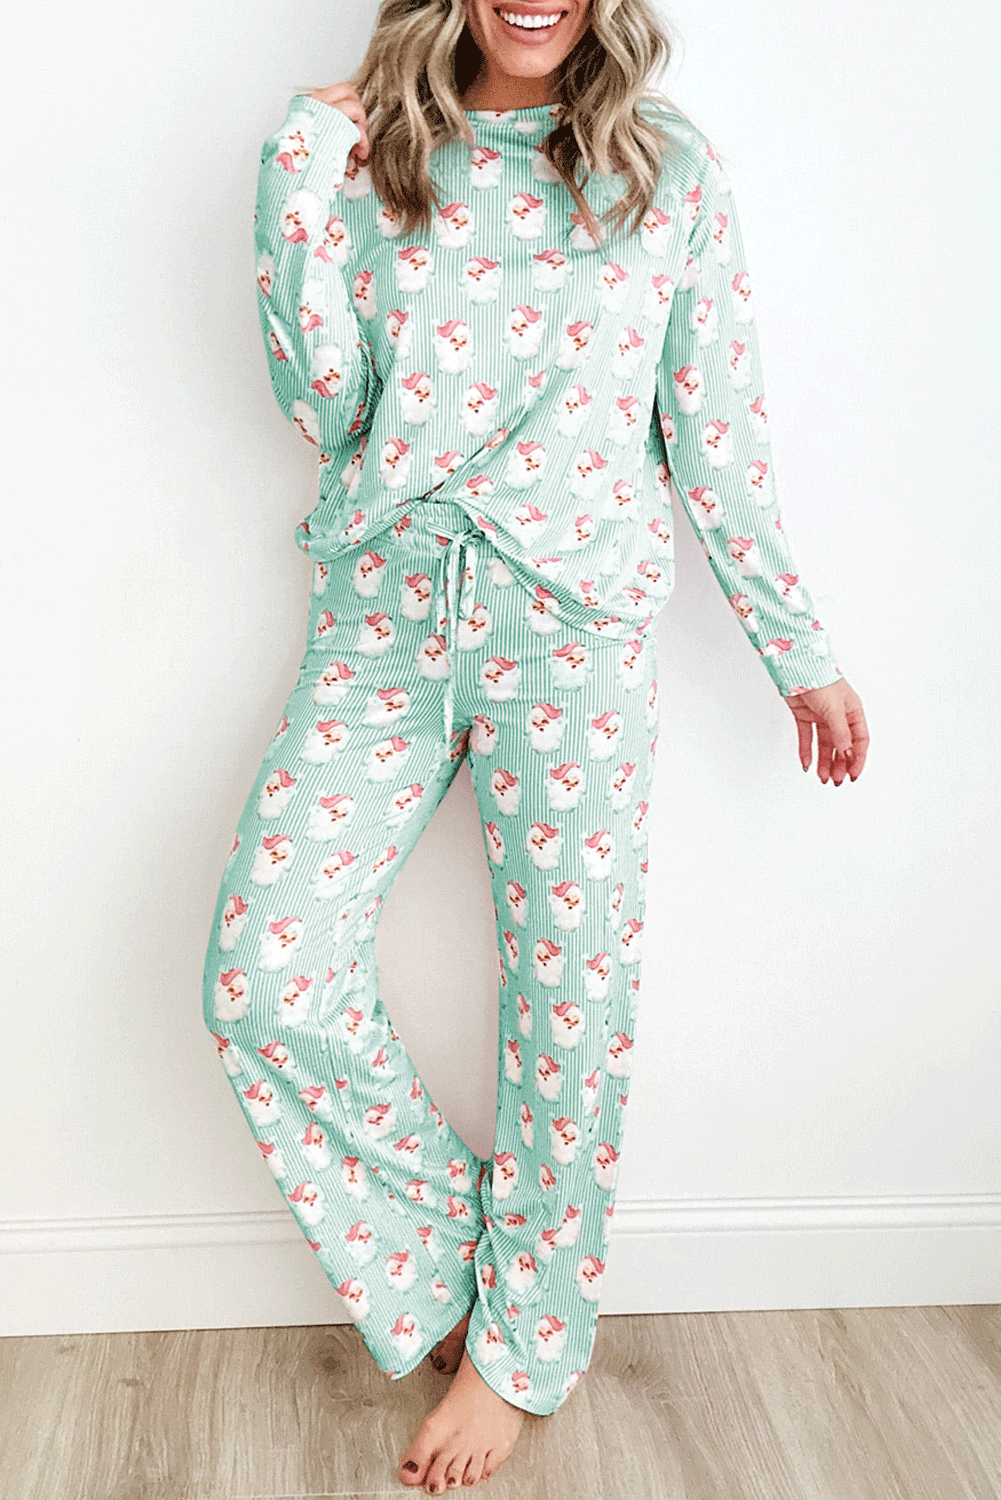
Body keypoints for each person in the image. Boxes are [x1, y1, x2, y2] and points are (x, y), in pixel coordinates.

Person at [203, 0, 870, 1491]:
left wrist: (799, 652)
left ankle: (521, 1349)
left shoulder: (664, 169)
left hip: (570, 631)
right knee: (261, 979)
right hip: (384, 619)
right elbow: (326, 405)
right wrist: (302, 163)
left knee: (570, 998)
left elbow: (716, 436)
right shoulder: (377, 154)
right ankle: (464, 1276)